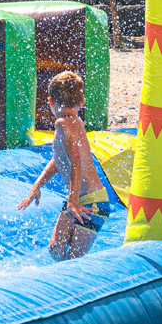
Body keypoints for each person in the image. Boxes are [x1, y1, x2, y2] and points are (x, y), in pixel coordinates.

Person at [17, 71, 110, 260]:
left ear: (50, 101)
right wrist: (37, 185)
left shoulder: (62, 124)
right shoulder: (75, 122)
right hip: (81, 198)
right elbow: (58, 159)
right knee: (55, 249)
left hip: (92, 202)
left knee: (74, 257)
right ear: (82, 102)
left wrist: (72, 199)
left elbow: (75, 162)